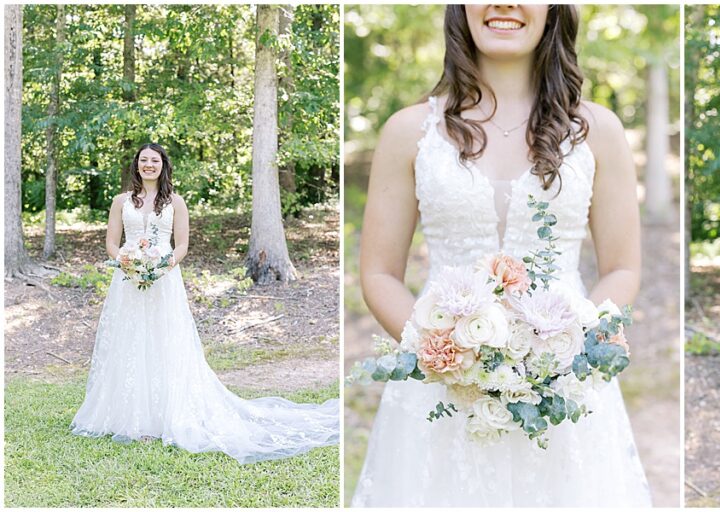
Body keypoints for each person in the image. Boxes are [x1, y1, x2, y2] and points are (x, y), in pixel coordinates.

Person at [351, 5, 651, 507]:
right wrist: (448, 356)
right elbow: (380, 273)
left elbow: (622, 267)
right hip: (440, 390)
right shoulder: (408, 132)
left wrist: (570, 348)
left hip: (565, 384)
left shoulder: (598, 130)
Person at [71, 143, 338, 464]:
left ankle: (164, 414)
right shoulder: (120, 202)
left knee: (163, 342)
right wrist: (129, 264)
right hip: (127, 282)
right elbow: (112, 244)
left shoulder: (176, 203)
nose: (149, 165)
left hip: (164, 279)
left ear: (163, 165)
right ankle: (131, 417)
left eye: (154, 160)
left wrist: (159, 267)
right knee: (129, 342)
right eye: (143, 160)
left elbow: (181, 245)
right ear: (136, 165)